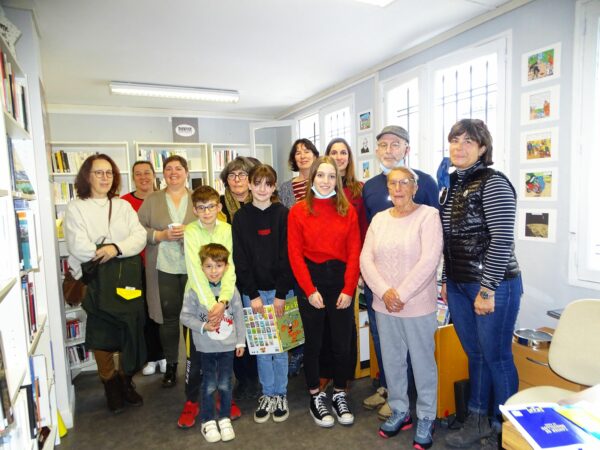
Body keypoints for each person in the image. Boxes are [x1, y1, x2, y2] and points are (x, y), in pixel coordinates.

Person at [440, 119, 522, 450]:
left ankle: (508, 431)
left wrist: (487, 289)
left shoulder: (494, 182)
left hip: (493, 285)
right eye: (454, 141)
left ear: (482, 148)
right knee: (475, 354)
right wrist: (447, 280)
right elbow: (450, 239)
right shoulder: (453, 185)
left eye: (468, 142)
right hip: (460, 285)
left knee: (497, 356)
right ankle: (477, 421)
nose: (459, 147)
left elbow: (502, 240)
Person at [360, 167, 443, 450]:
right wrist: (385, 292)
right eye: (392, 183)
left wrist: (402, 294)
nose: (397, 188)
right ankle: (400, 410)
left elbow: (429, 260)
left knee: (422, 363)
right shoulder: (379, 219)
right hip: (384, 305)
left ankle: (426, 415)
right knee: (392, 361)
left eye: (404, 183)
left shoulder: (428, 216)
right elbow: (366, 260)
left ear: (414, 187)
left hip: (417, 305)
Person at [64, 154, 146, 414]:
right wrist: (106, 251)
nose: (104, 177)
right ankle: (109, 384)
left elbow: (140, 236)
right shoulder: (76, 207)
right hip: (96, 281)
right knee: (101, 333)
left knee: (128, 330)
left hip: (124, 278)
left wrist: (116, 248)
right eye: (98, 172)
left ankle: (125, 382)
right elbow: (77, 245)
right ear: (87, 176)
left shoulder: (122, 206)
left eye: (109, 173)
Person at [287, 156, 361, 428]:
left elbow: (355, 251)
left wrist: (349, 288)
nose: (326, 181)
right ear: (312, 178)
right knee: (315, 343)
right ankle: (315, 397)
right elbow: (294, 255)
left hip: (341, 281)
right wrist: (309, 290)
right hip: (312, 281)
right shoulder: (298, 211)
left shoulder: (347, 210)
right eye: (321, 175)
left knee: (342, 343)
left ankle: (340, 392)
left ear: (338, 180)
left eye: (332, 176)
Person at [232, 164, 294, 424]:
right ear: (249, 184)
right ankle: (267, 393)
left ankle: (280, 394)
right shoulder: (241, 217)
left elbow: (288, 256)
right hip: (253, 294)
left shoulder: (284, 214)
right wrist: (252, 294)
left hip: (282, 293)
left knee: (280, 348)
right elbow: (240, 259)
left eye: (268, 184)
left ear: (274, 187)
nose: (262, 189)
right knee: (261, 348)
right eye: (257, 183)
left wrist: (280, 294)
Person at [177, 185, 241, 428]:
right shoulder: (191, 231)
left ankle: (223, 397)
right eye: (201, 208)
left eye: (211, 206)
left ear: (219, 207)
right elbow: (194, 269)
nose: (206, 212)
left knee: (223, 352)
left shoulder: (226, 229)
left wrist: (223, 301)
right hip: (198, 300)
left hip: (223, 301)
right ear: (194, 210)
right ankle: (192, 400)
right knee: (197, 356)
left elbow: (230, 265)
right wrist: (210, 304)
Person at [137, 155, 196, 388]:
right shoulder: (152, 200)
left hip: (194, 268)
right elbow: (137, 228)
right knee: (169, 319)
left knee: (193, 318)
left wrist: (189, 233)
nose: (174, 172)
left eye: (178, 168)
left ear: (186, 172)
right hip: (163, 268)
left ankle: (194, 364)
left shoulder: (196, 198)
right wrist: (159, 236)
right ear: (163, 174)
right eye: (169, 169)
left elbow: (208, 224)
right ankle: (171, 365)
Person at [180, 244, 245, 443]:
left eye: (218, 266)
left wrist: (240, 341)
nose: (214, 271)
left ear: (226, 267)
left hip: (227, 347)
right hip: (205, 348)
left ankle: (224, 418)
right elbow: (185, 316)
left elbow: (239, 316)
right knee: (208, 385)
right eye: (209, 266)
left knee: (226, 384)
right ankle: (207, 421)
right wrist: (203, 326)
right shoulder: (194, 290)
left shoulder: (231, 290)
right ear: (201, 268)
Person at [321, 138, 368, 391]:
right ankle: (325, 371)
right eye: (333, 152)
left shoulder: (358, 190)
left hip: (350, 264)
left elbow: (363, 229)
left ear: (349, 158)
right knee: (325, 323)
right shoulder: (320, 188)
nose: (339, 157)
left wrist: (359, 269)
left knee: (344, 324)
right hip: (323, 266)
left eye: (343, 153)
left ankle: (344, 373)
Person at [218, 156, 261, 400]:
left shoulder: (263, 202)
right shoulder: (220, 206)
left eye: (243, 175)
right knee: (236, 330)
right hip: (230, 277)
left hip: (258, 277)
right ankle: (243, 378)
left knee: (257, 327)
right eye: (232, 175)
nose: (237, 180)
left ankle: (259, 375)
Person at [121, 161, 166, 377]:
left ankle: (164, 355)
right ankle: (150, 357)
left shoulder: (164, 198)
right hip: (133, 266)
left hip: (159, 264)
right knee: (141, 314)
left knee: (160, 312)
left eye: (147, 173)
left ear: (154, 175)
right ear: (132, 177)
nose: (143, 177)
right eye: (137, 174)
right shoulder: (124, 203)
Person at [279, 138, 319, 377]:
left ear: (315, 154)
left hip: (320, 256)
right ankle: (298, 353)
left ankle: (314, 355)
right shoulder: (286, 188)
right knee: (297, 308)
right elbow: (285, 224)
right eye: (297, 153)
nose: (302, 155)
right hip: (296, 256)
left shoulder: (323, 181)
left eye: (307, 151)